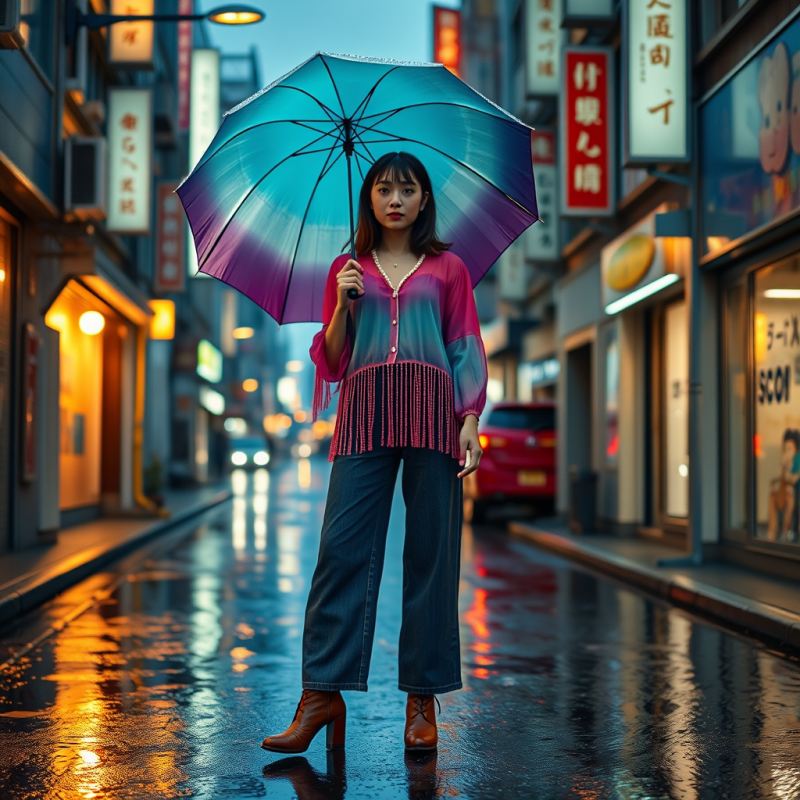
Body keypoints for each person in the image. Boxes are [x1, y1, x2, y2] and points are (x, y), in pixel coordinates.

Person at [261, 152, 488, 754]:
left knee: (431, 556)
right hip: (363, 415)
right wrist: (342, 305)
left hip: (435, 415)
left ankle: (422, 696)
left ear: (422, 200)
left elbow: (465, 344)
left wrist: (469, 418)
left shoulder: (448, 268)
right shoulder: (347, 268)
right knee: (340, 551)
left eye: (406, 189)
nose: (394, 199)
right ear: (369, 200)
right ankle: (322, 693)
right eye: (383, 189)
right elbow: (333, 360)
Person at [767, 428, 800, 541]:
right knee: (773, 498)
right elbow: (782, 478)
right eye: (786, 448)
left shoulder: (797, 459)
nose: (787, 450)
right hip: (785, 490)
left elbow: (794, 479)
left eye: (790, 448)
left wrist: (787, 468)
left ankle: (786, 531)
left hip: (794, 490)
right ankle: (773, 531)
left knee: (790, 501)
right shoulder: (785, 460)